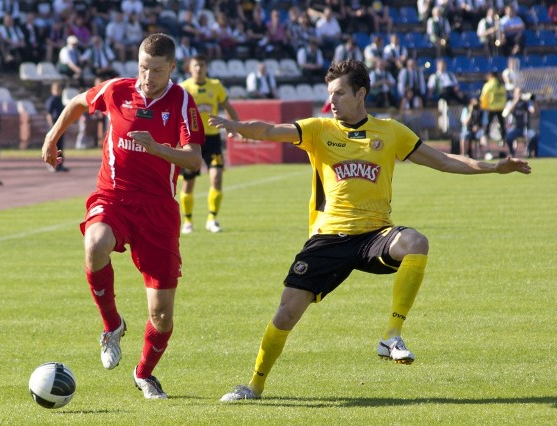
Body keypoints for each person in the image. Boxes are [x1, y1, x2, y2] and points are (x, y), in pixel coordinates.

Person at [208, 59, 531, 402]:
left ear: (360, 93)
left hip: (374, 236)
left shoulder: (390, 131)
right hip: (327, 238)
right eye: (330, 93)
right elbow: (272, 131)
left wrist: (494, 167)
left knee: (415, 241)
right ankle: (254, 386)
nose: (332, 101)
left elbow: (442, 160)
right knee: (286, 314)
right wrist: (238, 126)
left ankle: (392, 334)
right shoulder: (319, 128)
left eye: (339, 93)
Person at [41, 33, 205, 399]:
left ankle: (144, 373)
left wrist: (159, 149)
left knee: (162, 316)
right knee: (95, 242)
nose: (148, 77)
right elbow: (78, 102)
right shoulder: (118, 89)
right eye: (143, 67)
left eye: (157, 70)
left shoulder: (181, 102)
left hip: (158, 209)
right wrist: (53, 137)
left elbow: (194, 159)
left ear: (172, 69)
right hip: (113, 196)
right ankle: (112, 325)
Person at [179, 54, 240, 234]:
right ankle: (188, 221)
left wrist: (236, 126)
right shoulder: (184, 88)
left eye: (202, 65)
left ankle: (212, 218)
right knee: (188, 183)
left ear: (207, 67)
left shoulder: (215, 85)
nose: (199, 68)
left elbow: (228, 106)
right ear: (190, 68)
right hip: (192, 140)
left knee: (217, 177)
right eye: (196, 65)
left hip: (213, 139)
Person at [503, 87, 535, 158]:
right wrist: (516, 100)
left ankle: (529, 151)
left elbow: (532, 111)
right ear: (514, 94)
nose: (519, 95)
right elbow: (506, 113)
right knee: (508, 137)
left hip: (525, 128)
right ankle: (512, 152)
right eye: (517, 93)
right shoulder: (510, 102)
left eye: (520, 93)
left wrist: (531, 101)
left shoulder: (526, 103)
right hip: (515, 128)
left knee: (534, 136)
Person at [45, 82, 69, 172]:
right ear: (52, 90)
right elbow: (49, 114)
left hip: (60, 127)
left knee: (60, 147)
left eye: (59, 90)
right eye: (56, 90)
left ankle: (60, 165)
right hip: (54, 127)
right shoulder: (52, 100)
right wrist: (52, 127)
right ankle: (52, 164)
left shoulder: (60, 100)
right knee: (53, 147)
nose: (58, 92)